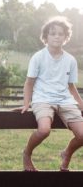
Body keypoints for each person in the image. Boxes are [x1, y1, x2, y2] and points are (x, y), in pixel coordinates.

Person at [17, 16, 83, 171]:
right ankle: (27, 153)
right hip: (43, 100)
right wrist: (27, 103)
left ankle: (66, 153)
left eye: (60, 34)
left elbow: (71, 86)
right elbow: (29, 83)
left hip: (65, 101)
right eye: (53, 33)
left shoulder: (71, 60)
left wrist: (80, 103)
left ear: (66, 37)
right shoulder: (38, 57)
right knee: (44, 130)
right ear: (45, 37)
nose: (57, 36)